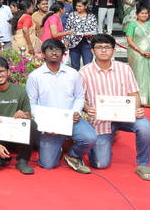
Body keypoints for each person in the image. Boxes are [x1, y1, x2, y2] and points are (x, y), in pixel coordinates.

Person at [80, 34, 150, 181]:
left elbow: (133, 93)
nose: (103, 50)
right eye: (99, 47)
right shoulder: (84, 73)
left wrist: (136, 109)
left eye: (107, 47)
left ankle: (142, 163)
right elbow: (80, 99)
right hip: (100, 121)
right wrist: (88, 109)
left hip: (124, 116)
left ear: (114, 51)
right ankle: (104, 145)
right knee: (100, 164)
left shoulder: (125, 69)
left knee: (145, 125)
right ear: (92, 51)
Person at [26, 38, 97, 173]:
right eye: (50, 50)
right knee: (47, 164)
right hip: (49, 124)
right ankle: (56, 148)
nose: (54, 53)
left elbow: (79, 96)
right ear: (43, 53)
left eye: (58, 50)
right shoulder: (35, 76)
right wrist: (45, 123)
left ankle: (73, 156)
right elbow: (31, 103)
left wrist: (76, 112)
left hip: (70, 119)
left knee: (90, 138)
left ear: (63, 53)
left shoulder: (72, 73)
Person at [0, 56, 37, 174]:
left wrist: (24, 116)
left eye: (2, 71)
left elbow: (28, 115)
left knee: (32, 124)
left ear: (8, 72)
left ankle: (22, 160)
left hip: (15, 133)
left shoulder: (20, 92)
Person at [125, 4, 150, 108]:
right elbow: (129, 40)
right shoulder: (132, 25)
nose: (144, 15)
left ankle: (149, 100)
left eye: (146, 13)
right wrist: (140, 51)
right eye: (142, 13)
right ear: (137, 14)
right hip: (136, 53)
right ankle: (138, 100)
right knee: (138, 75)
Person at [66, 0, 98, 69]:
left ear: (85, 6)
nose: (78, 7)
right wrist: (66, 41)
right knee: (74, 65)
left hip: (87, 42)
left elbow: (95, 29)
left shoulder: (91, 16)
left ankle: (87, 79)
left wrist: (90, 34)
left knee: (88, 65)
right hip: (73, 42)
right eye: (77, 6)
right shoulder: (72, 15)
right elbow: (67, 28)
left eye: (80, 6)